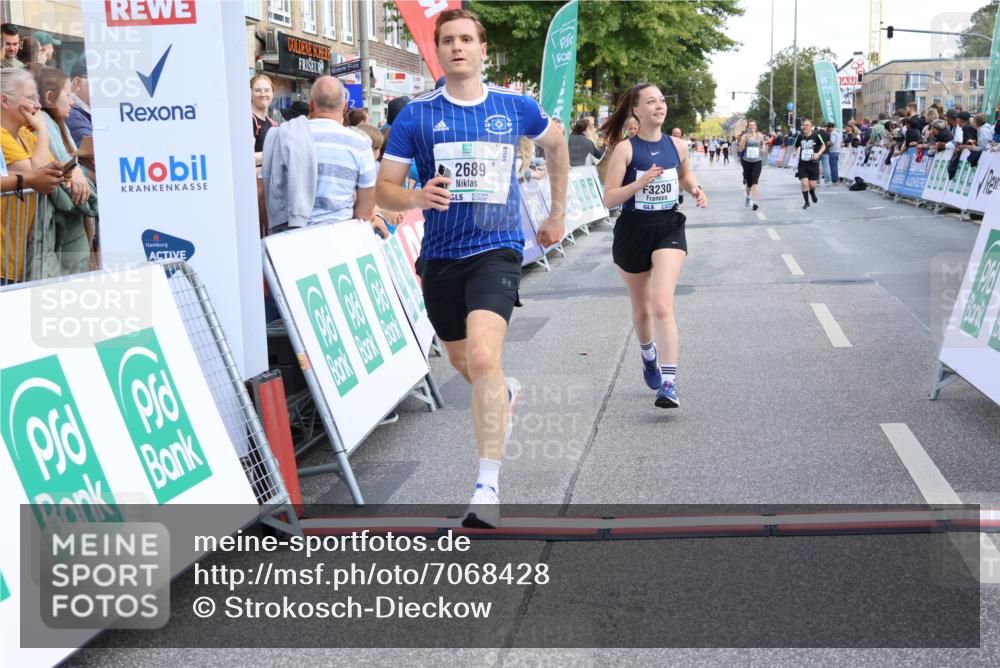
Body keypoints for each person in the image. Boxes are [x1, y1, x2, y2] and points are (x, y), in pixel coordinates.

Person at [375, 8, 569, 528]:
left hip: (497, 248)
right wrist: (416, 194)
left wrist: (556, 211)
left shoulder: (515, 106)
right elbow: (384, 189)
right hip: (439, 257)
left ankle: (486, 486)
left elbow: (558, 145)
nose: (458, 47)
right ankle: (503, 393)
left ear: (483, 50)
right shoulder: (416, 115)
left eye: (467, 39)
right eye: (448, 40)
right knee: (468, 366)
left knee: (485, 356)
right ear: (437, 51)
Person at [599, 83, 708, 409]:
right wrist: (639, 183)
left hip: (667, 228)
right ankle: (648, 354)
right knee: (643, 308)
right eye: (651, 102)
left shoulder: (678, 145)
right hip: (632, 231)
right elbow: (609, 198)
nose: (659, 106)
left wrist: (696, 189)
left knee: (662, 304)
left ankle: (669, 383)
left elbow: (684, 177)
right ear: (636, 110)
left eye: (662, 100)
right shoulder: (625, 150)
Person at [263, 76, 382, 236]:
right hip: (339, 238)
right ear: (345, 106)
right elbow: (364, 213)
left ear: (311, 105)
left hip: (290, 240)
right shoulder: (360, 144)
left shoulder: (284, 135)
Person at [1, 67, 61, 281]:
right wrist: (44, 131)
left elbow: (56, 168)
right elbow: (37, 173)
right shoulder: (2, 136)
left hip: (18, 252)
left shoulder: (26, 135)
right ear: (5, 101)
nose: (38, 106)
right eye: (30, 98)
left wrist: (76, 175)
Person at [36, 66, 95, 274]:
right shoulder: (44, 121)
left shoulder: (57, 122)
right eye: (68, 95)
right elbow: (59, 162)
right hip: (65, 227)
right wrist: (77, 170)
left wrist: (78, 169)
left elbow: (69, 161)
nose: (72, 101)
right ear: (50, 97)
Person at [794, 118, 825, 209]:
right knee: (804, 183)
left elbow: (823, 146)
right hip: (803, 164)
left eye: (807, 125)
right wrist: (795, 152)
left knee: (812, 185)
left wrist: (818, 154)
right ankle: (806, 202)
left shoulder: (816, 136)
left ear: (811, 127)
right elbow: (795, 147)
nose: (805, 126)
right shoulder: (800, 137)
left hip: (813, 163)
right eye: (804, 125)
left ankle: (812, 192)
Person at [250, 74, 277, 169]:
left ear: (273, 93)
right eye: (257, 90)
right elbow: (247, 157)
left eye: (267, 90)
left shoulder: (273, 124)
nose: (263, 94)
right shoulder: (250, 121)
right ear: (250, 93)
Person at [738, 120, 764, 210]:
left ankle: (755, 202)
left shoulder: (760, 136)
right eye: (750, 125)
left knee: (755, 182)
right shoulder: (745, 136)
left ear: (756, 127)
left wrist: (762, 149)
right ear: (748, 127)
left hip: (757, 161)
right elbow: (740, 149)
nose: (752, 126)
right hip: (747, 161)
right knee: (749, 183)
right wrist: (744, 140)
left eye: (753, 125)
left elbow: (763, 144)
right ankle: (748, 197)